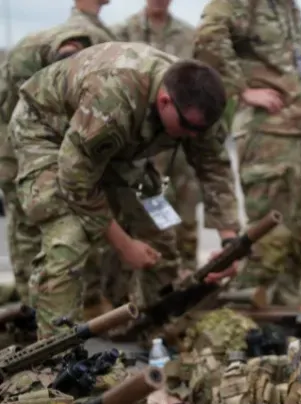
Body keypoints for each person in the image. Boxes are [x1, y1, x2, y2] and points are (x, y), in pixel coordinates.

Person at [9, 43, 240, 338]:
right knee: (68, 236)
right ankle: (56, 350)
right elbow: (76, 179)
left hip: (111, 146)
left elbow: (214, 167)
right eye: (188, 127)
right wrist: (124, 244)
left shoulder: (197, 108)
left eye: (200, 130)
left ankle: (150, 327)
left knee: (161, 226)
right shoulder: (114, 95)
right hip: (47, 132)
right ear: (165, 101)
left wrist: (230, 242)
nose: (193, 136)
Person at [195, 0, 301, 306]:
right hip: (269, 134)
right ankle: (248, 311)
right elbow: (209, 35)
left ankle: (287, 311)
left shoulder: (290, 8)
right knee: (269, 239)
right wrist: (241, 89)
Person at [0, 23, 111, 304]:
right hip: (12, 129)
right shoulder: (24, 59)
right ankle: (30, 301)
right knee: (26, 213)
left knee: (77, 208)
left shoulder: (98, 51)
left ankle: (84, 294)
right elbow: (22, 120)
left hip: (61, 129)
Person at [113, 0, 203, 275]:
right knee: (146, 212)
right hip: (142, 145)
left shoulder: (189, 36)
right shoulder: (122, 32)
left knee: (187, 211)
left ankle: (188, 273)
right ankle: (153, 275)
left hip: (179, 145)